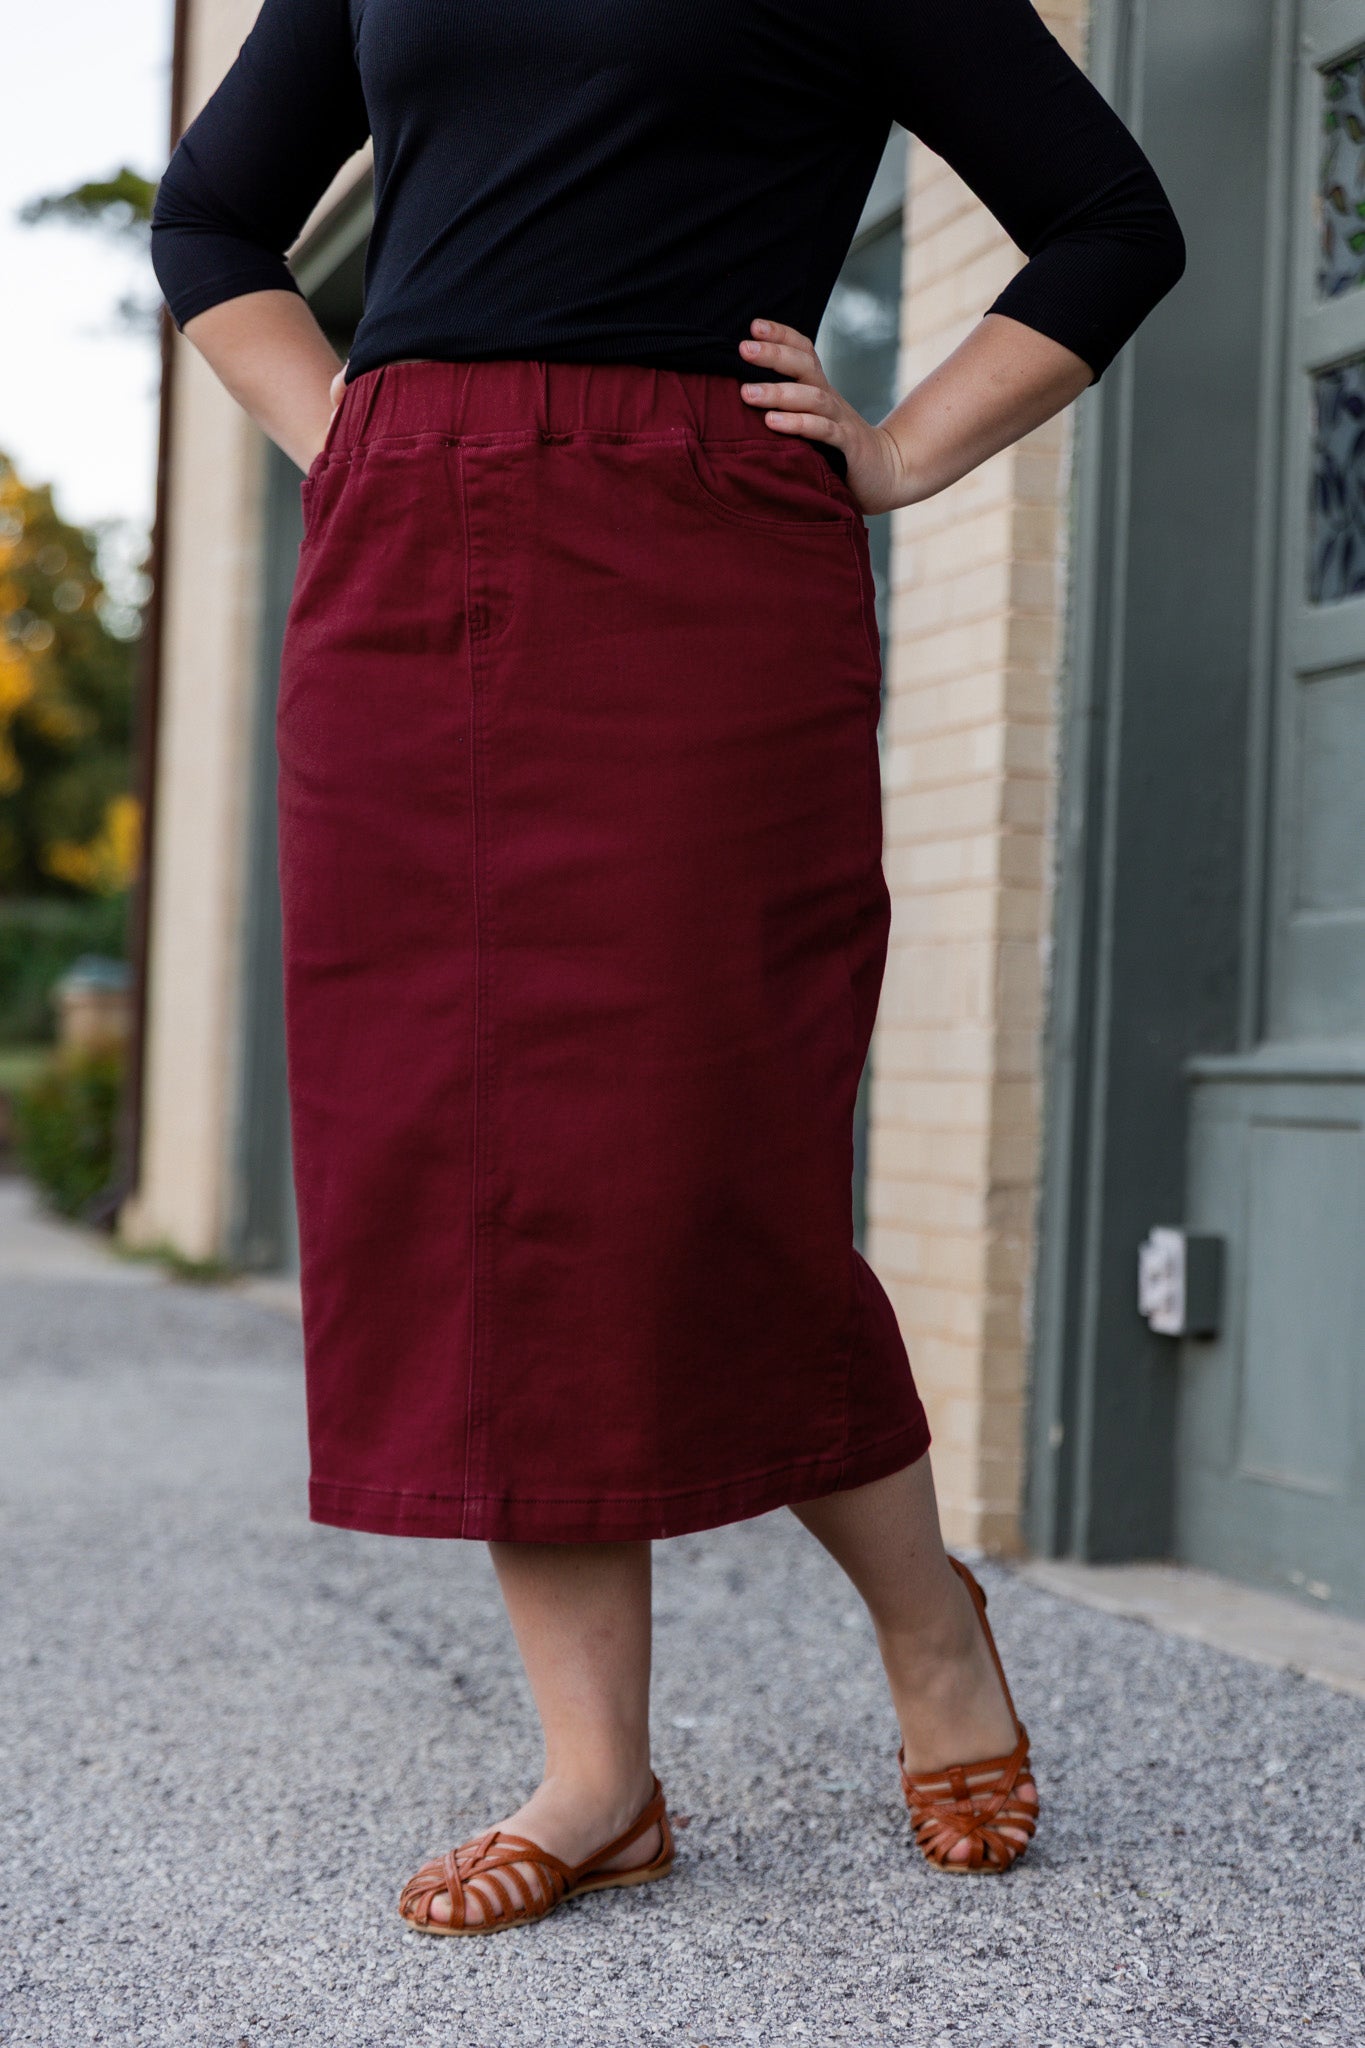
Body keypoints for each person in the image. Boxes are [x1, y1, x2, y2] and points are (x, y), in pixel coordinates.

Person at [150, 0, 1184, 1931]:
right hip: (409, 567)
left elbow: (1110, 220)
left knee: (710, 1159)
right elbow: (212, 218)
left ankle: (931, 1632)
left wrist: (898, 455)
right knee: (474, 1177)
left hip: (702, 560)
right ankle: (596, 1775)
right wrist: (349, 432)